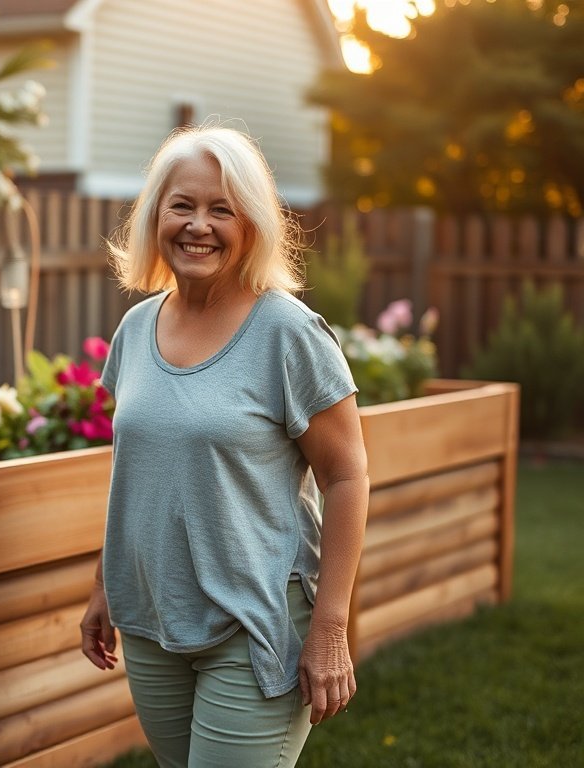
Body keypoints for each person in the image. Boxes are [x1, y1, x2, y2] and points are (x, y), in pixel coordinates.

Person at [80, 124, 369, 768]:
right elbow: (139, 470)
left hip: (257, 621)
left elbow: (347, 476)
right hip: (153, 616)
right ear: (156, 215)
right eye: (182, 205)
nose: (198, 226)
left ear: (254, 225)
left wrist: (329, 628)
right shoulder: (135, 328)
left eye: (222, 209)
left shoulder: (288, 333)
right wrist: (105, 584)